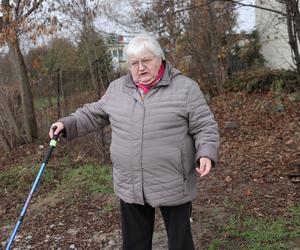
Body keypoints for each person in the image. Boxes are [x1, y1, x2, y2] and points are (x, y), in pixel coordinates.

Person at [49, 33, 219, 250]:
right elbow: (94, 114)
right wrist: (68, 123)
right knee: (135, 243)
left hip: (173, 180)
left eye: (146, 61)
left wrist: (205, 152)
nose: (140, 68)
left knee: (180, 242)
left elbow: (204, 125)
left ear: (160, 59)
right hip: (130, 182)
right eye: (134, 63)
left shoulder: (185, 88)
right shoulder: (117, 89)